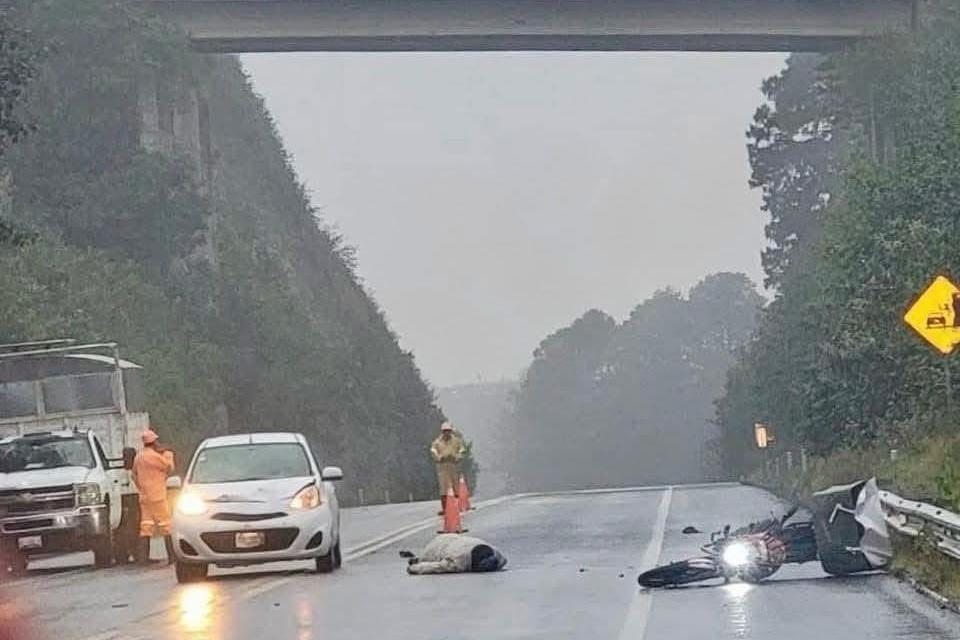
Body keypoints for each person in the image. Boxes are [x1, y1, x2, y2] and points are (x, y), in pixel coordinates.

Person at [131, 429, 175, 565]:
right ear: (154, 442)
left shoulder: (138, 457)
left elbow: (134, 475)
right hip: (158, 496)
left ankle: (143, 559)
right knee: (166, 525)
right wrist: (168, 455)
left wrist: (141, 488)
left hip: (144, 497)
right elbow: (169, 468)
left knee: (146, 526)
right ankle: (172, 557)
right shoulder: (156, 457)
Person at [429, 422, 465, 515]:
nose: (447, 433)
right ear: (442, 432)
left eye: (448, 431)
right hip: (442, 466)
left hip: (453, 465)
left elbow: (462, 450)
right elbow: (433, 451)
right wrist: (439, 457)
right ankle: (445, 508)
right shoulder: (437, 442)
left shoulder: (456, 441)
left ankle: (456, 506)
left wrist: (457, 457)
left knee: (455, 486)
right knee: (444, 488)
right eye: (445, 431)